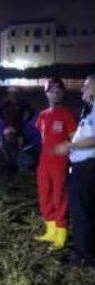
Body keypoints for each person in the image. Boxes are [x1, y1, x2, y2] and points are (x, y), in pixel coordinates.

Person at [53, 74, 95, 266]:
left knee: (81, 212)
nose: (82, 90)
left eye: (86, 86)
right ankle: (85, 251)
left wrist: (69, 146)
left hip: (86, 168)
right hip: (83, 167)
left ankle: (82, 257)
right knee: (85, 210)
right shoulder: (90, 109)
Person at [33, 78, 77, 250]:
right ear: (46, 93)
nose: (56, 93)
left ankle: (61, 233)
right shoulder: (42, 115)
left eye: (59, 90)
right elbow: (43, 137)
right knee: (45, 194)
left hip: (61, 163)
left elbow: (74, 139)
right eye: (52, 90)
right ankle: (50, 230)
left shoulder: (67, 114)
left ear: (63, 93)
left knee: (60, 196)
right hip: (44, 162)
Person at [0, 86, 34, 172]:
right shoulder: (6, 103)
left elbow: (31, 112)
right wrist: (4, 119)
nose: (12, 96)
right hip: (7, 128)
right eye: (10, 94)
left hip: (18, 128)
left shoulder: (22, 104)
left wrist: (25, 121)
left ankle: (19, 163)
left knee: (20, 145)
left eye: (14, 94)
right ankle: (6, 162)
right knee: (2, 143)